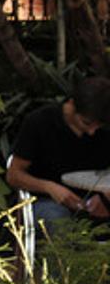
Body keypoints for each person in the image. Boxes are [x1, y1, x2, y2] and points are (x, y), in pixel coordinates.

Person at [6, 76, 110, 224]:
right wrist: (49, 187)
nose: (92, 132)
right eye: (86, 123)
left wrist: (105, 198)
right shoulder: (40, 122)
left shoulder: (104, 130)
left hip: (91, 201)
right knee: (57, 218)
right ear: (72, 105)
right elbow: (14, 175)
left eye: (98, 126)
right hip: (44, 201)